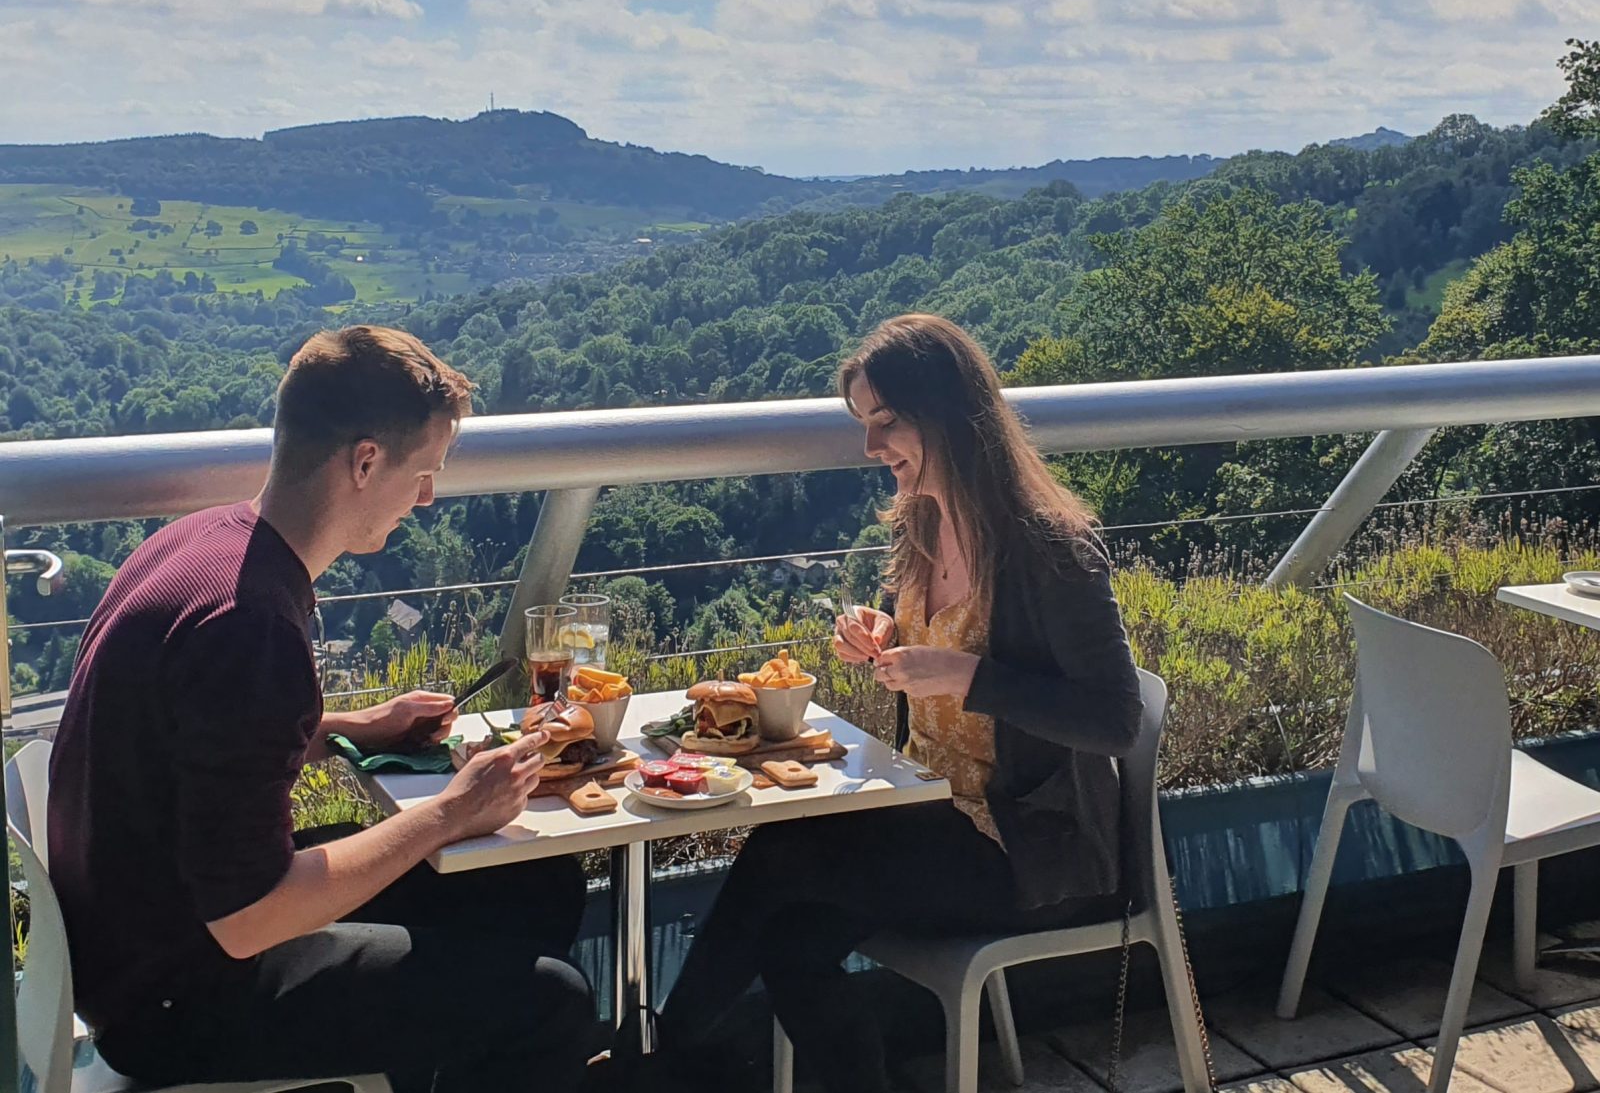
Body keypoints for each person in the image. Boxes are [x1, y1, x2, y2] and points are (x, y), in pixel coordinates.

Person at [48, 325, 595, 1093]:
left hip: (136, 933)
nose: (428, 497)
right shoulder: (252, 626)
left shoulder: (198, 542)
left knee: (536, 883)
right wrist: (447, 812)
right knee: (552, 1002)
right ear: (366, 461)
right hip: (182, 997)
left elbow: (199, 748)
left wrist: (347, 729)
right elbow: (250, 917)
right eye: (424, 472)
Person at [652, 313, 1143, 1092]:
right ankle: (665, 1060)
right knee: (788, 936)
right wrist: (882, 631)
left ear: (948, 412)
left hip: (1026, 852)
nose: (872, 446)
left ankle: (656, 1060)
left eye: (887, 421)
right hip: (932, 809)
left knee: (789, 849)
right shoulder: (923, 521)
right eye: (864, 422)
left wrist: (966, 675)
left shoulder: (1052, 547)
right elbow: (927, 648)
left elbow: (1115, 718)